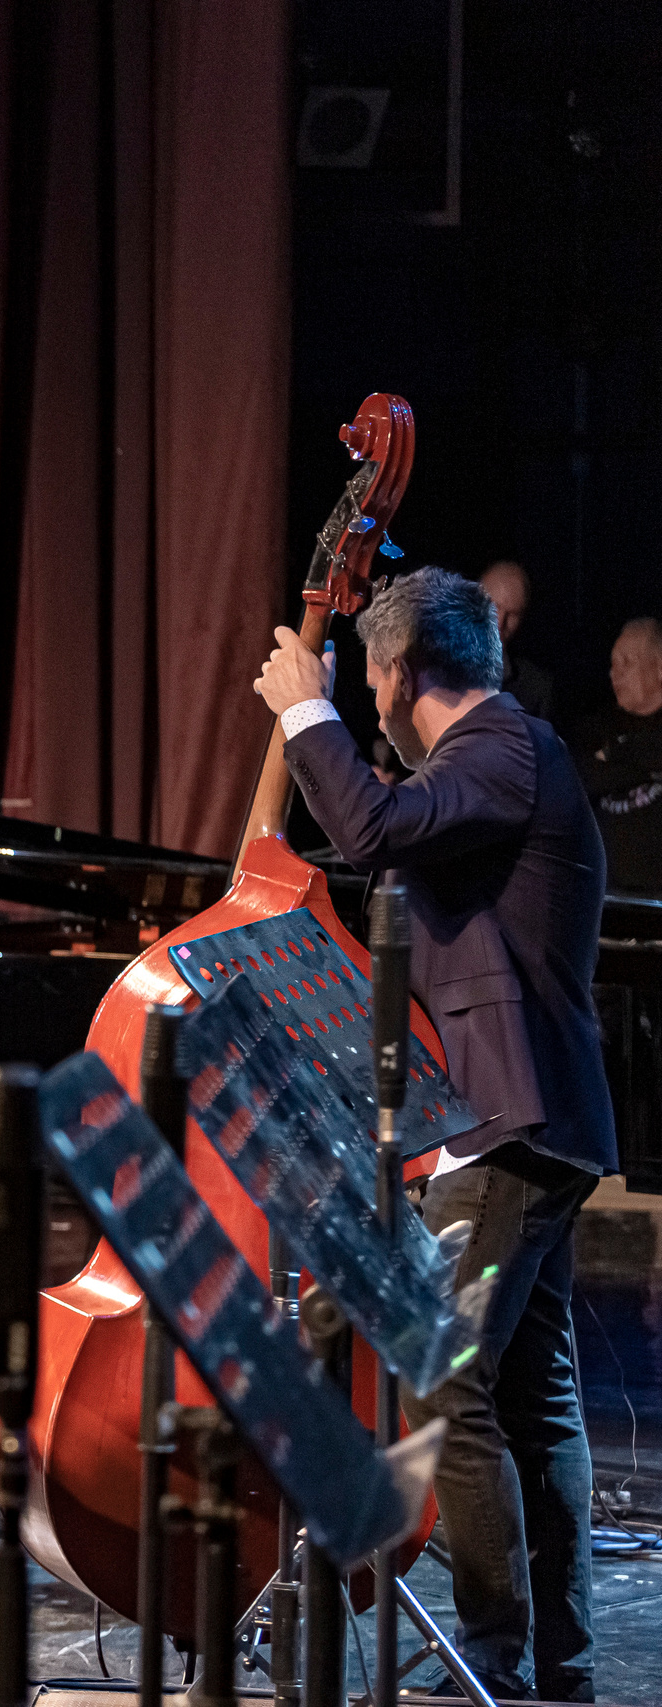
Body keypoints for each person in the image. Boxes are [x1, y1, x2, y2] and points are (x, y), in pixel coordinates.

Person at [256, 566, 614, 1702]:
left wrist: (299, 708)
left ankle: (494, 1652)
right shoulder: (492, 767)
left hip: (506, 1123)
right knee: (526, 1397)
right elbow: (368, 829)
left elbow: (366, 824)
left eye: (365, 676)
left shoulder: (501, 750)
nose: (361, 698)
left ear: (404, 669)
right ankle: (548, 1657)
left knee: (438, 1371)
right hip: (518, 1117)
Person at [575, 616, 662, 894]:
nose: (615, 673)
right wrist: (641, 767)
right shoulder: (596, 726)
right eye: (613, 664)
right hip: (605, 899)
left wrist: (613, 757)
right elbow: (579, 778)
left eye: (627, 662)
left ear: (659, 667)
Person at [479, 559, 557, 722]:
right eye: (494, 606)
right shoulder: (432, 665)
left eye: (513, 614)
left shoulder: (534, 688)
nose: (500, 622)